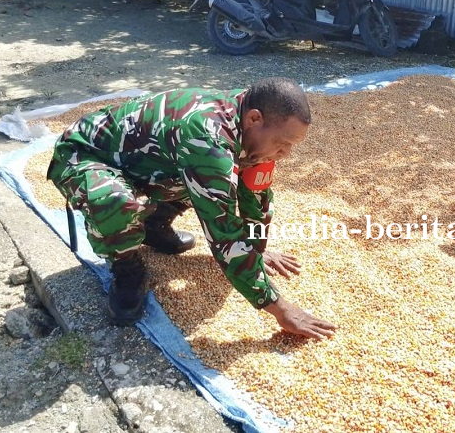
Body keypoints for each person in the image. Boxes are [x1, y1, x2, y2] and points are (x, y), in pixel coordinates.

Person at [46, 77, 338, 339]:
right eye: (283, 144)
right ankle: (127, 267)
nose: (286, 154)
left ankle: (153, 227)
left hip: (146, 164)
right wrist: (279, 308)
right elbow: (223, 233)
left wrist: (257, 249)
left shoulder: (252, 122)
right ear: (254, 119)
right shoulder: (207, 137)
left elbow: (255, 195)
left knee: (213, 181)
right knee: (116, 204)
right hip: (86, 154)